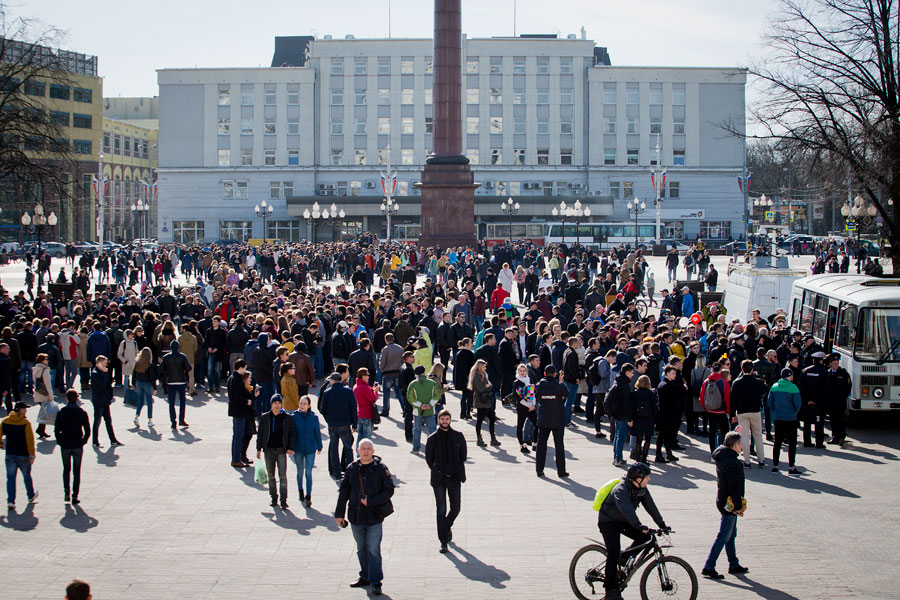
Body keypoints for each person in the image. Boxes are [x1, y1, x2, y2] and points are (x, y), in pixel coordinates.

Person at [595, 462, 669, 600]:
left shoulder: (641, 489)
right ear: (638, 479)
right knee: (613, 553)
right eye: (647, 477)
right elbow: (627, 510)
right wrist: (639, 526)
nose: (649, 479)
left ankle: (624, 557)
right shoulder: (620, 490)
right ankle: (610, 591)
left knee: (646, 537)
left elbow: (651, 506)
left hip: (623, 521)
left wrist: (662, 524)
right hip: (608, 522)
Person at [335, 438, 395, 596]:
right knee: (361, 548)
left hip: (374, 516)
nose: (366, 451)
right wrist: (339, 514)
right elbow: (344, 491)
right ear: (358, 451)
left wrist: (371, 500)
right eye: (363, 448)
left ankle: (376, 581)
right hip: (356, 516)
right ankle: (365, 575)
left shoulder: (381, 468)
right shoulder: (352, 468)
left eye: (369, 449)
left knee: (373, 550)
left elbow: (389, 490)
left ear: (373, 451)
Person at [701, 431, 749, 579]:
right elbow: (734, 486)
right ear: (735, 445)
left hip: (723, 500)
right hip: (729, 503)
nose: (741, 447)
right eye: (740, 444)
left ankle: (733, 563)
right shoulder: (732, 462)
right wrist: (738, 505)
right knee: (724, 535)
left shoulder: (723, 456)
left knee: (731, 534)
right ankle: (709, 566)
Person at [425, 409, 467, 553]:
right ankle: (443, 541)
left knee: (456, 508)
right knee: (441, 509)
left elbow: (463, 456)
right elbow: (429, 459)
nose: (445, 421)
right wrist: (437, 468)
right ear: (438, 420)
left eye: (447, 419)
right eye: (442, 419)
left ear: (450, 420)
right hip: (439, 479)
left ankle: (446, 526)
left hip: (454, 477)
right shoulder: (432, 438)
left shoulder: (458, 436)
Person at [257, 395, 296, 508]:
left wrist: (290, 447)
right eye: (275, 403)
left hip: (281, 450)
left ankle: (283, 499)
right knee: (271, 475)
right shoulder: (265, 417)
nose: (277, 405)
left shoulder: (287, 418)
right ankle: (274, 497)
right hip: (268, 450)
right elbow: (260, 434)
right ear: (271, 405)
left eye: (279, 403)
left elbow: (292, 434)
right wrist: (258, 448)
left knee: (282, 475)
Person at [54, 389, 90, 504]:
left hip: (65, 444)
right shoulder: (82, 412)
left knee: (66, 469)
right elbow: (87, 430)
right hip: (77, 444)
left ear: (66, 399)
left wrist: (60, 441)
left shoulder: (61, 412)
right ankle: (75, 495)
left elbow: (56, 429)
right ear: (77, 399)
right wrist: (83, 441)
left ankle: (66, 492)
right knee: (76, 471)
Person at [534, 365, 569, 478]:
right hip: (558, 419)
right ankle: (561, 471)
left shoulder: (538, 385)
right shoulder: (559, 386)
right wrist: (561, 382)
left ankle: (539, 469)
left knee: (541, 445)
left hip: (543, 419)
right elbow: (566, 395)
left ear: (544, 374)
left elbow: (530, 394)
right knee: (559, 446)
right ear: (555, 374)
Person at [320, 372, 357, 479]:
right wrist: (354, 424)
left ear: (332, 381)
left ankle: (336, 473)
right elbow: (353, 408)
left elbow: (323, 410)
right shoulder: (348, 391)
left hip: (332, 424)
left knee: (334, 449)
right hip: (345, 424)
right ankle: (350, 472)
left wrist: (328, 420)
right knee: (348, 448)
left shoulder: (327, 393)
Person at [1, 401, 38, 509]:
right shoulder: (25, 423)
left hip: (10, 454)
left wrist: (1, 443)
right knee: (27, 476)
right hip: (23, 455)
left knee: (11, 478)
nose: (26, 411)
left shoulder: (5, 421)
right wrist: (32, 454)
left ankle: (11, 501)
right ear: (20, 409)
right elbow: (29, 440)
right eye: (25, 409)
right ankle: (30, 495)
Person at [730, 360, 766, 467]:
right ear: (752, 369)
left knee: (744, 436)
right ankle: (761, 459)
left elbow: (733, 400)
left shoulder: (737, 383)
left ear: (742, 369)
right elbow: (765, 389)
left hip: (742, 411)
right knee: (758, 435)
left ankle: (747, 461)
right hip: (755, 411)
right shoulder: (757, 382)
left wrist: (732, 414)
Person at [767, 368, 802, 474]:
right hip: (790, 418)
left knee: (777, 442)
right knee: (792, 443)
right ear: (790, 376)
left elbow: (769, 403)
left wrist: (776, 411)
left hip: (778, 418)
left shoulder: (774, 387)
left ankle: (775, 466)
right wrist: (794, 412)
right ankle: (791, 467)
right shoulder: (793, 387)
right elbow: (798, 404)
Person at [289, 394, 322, 507]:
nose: (302, 406)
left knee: (308, 472)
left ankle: (308, 495)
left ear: (309, 405)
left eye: (304, 404)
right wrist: (290, 447)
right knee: (300, 472)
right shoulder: (294, 417)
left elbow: (317, 432)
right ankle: (300, 491)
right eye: (301, 403)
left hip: (310, 448)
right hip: (298, 448)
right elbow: (291, 433)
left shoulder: (314, 417)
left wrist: (319, 446)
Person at [228, 360, 257, 468]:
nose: (245, 370)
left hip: (237, 410)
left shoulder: (233, 378)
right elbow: (235, 396)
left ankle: (236, 458)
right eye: (244, 368)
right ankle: (236, 459)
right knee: (238, 435)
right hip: (239, 411)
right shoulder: (236, 380)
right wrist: (246, 401)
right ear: (240, 368)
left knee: (237, 435)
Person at [605, 363, 634, 467]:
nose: (632, 375)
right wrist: (629, 418)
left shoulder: (617, 381)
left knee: (617, 436)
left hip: (616, 413)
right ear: (627, 372)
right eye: (631, 372)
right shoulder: (625, 385)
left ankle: (616, 457)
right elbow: (626, 403)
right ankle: (618, 458)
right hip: (622, 414)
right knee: (621, 437)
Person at [90, 356, 122, 448]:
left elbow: (109, 385)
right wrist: (105, 374)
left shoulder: (102, 372)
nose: (106, 365)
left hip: (105, 400)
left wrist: (110, 397)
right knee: (97, 421)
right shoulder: (95, 373)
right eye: (105, 363)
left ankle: (113, 440)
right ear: (99, 363)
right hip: (98, 401)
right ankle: (95, 442)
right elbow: (103, 384)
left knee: (108, 421)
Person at [699, 362, 730, 454]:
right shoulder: (724, 382)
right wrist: (728, 410)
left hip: (710, 410)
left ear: (711, 370)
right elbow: (727, 398)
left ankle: (713, 451)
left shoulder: (706, 382)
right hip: (721, 411)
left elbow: (701, 397)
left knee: (712, 432)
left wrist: (706, 407)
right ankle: (724, 450)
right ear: (720, 370)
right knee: (724, 431)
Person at [160, 339, 192, 430]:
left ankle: (173, 422)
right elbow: (189, 368)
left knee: (171, 403)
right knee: (182, 401)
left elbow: (161, 369)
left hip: (171, 381)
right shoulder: (182, 356)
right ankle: (181, 419)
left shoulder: (166, 357)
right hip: (181, 380)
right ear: (178, 347)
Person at [407, 365, 440, 453]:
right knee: (432, 430)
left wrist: (420, 405)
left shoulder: (413, 384)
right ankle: (436, 449)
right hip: (430, 410)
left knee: (417, 430)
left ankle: (416, 449)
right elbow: (437, 395)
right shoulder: (432, 383)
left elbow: (410, 398)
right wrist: (430, 404)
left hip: (417, 411)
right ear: (424, 372)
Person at [628, 375, 658, 464]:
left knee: (638, 440)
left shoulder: (634, 393)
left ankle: (637, 459)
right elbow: (654, 408)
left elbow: (631, 408)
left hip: (637, 419)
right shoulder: (651, 394)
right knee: (647, 440)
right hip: (649, 419)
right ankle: (644, 459)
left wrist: (630, 419)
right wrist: (655, 421)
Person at [468, 359, 497, 447]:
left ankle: (493, 438)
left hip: (486, 399)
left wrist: (487, 386)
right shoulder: (476, 375)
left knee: (492, 418)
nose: (485, 368)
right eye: (484, 366)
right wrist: (487, 386)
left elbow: (490, 385)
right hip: (480, 399)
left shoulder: (484, 374)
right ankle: (479, 439)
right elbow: (481, 388)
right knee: (480, 420)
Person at [825, 353, 851, 446]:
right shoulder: (828, 373)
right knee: (833, 419)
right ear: (831, 363)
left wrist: (843, 396)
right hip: (831, 401)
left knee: (840, 419)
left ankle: (841, 437)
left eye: (837, 363)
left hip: (840, 401)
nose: (836, 365)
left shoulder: (843, 373)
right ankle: (835, 437)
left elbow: (848, 386)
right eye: (834, 363)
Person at [132, 347, 157, 428]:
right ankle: (149, 420)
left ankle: (136, 417)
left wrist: (133, 384)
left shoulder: (137, 363)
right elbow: (152, 377)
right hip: (147, 383)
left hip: (138, 382)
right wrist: (154, 387)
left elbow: (134, 374)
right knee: (149, 402)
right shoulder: (150, 365)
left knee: (140, 402)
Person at [354, 367, 380, 446]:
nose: (369, 376)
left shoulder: (356, 386)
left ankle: (358, 452)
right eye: (367, 375)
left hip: (360, 414)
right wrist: (376, 392)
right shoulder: (364, 387)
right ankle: (365, 452)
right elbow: (373, 399)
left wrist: (372, 390)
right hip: (367, 414)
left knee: (360, 436)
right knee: (367, 438)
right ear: (363, 376)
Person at [32, 352, 54, 439]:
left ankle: (40, 430)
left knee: (44, 412)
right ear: (42, 360)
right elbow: (48, 384)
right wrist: (51, 396)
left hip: (38, 392)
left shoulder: (36, 368)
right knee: (45, 413)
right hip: (45, 394)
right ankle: (41, 430)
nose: (47, 361)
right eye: (46, 359)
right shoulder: (45, 370)